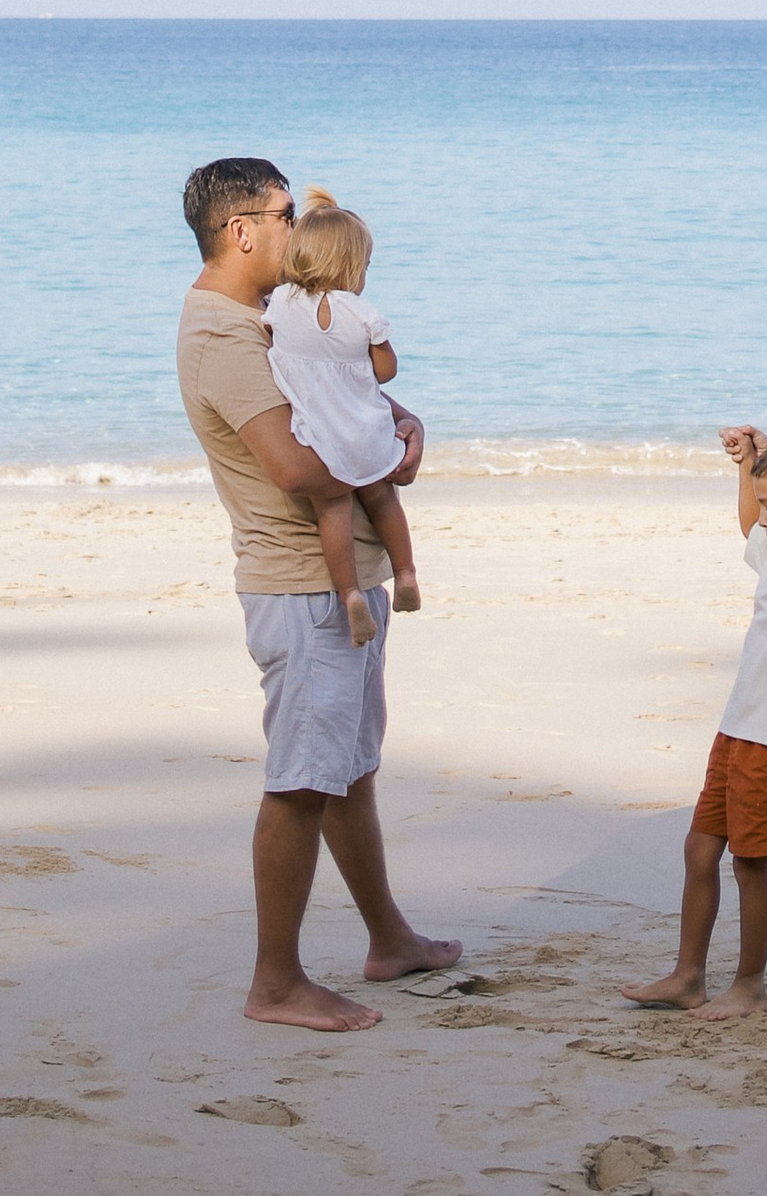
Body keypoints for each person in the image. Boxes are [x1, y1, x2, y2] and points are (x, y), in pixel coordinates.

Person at [174, 153, 459, 1029]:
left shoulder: (272, 315)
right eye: (285, 214)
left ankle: (389, 939)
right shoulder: (223, 336)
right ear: (241, 231)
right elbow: (297, 467)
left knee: (349, 771)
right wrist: (382, 456)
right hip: (302, 589)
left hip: (346, 584)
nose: (299, 228)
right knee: (302, 781)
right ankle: (275, 983)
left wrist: (401, 423)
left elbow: (343, 394)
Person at [624, 429, 767, 1018]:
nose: (763, 521)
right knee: (699, 850)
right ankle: (688, 976)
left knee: (749, 862)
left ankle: (749, 985)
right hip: (738, 728)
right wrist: (749, 464)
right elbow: (747, 526)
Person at [265, 192, 422, 645]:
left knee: (332, 510)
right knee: (382, 499)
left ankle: (350, 594)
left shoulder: (281, 302)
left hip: (319, 437)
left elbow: (272, 336)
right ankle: (406, 573)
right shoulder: (363, 315)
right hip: (365, 432)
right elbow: (386, 372)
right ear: (352, 267)